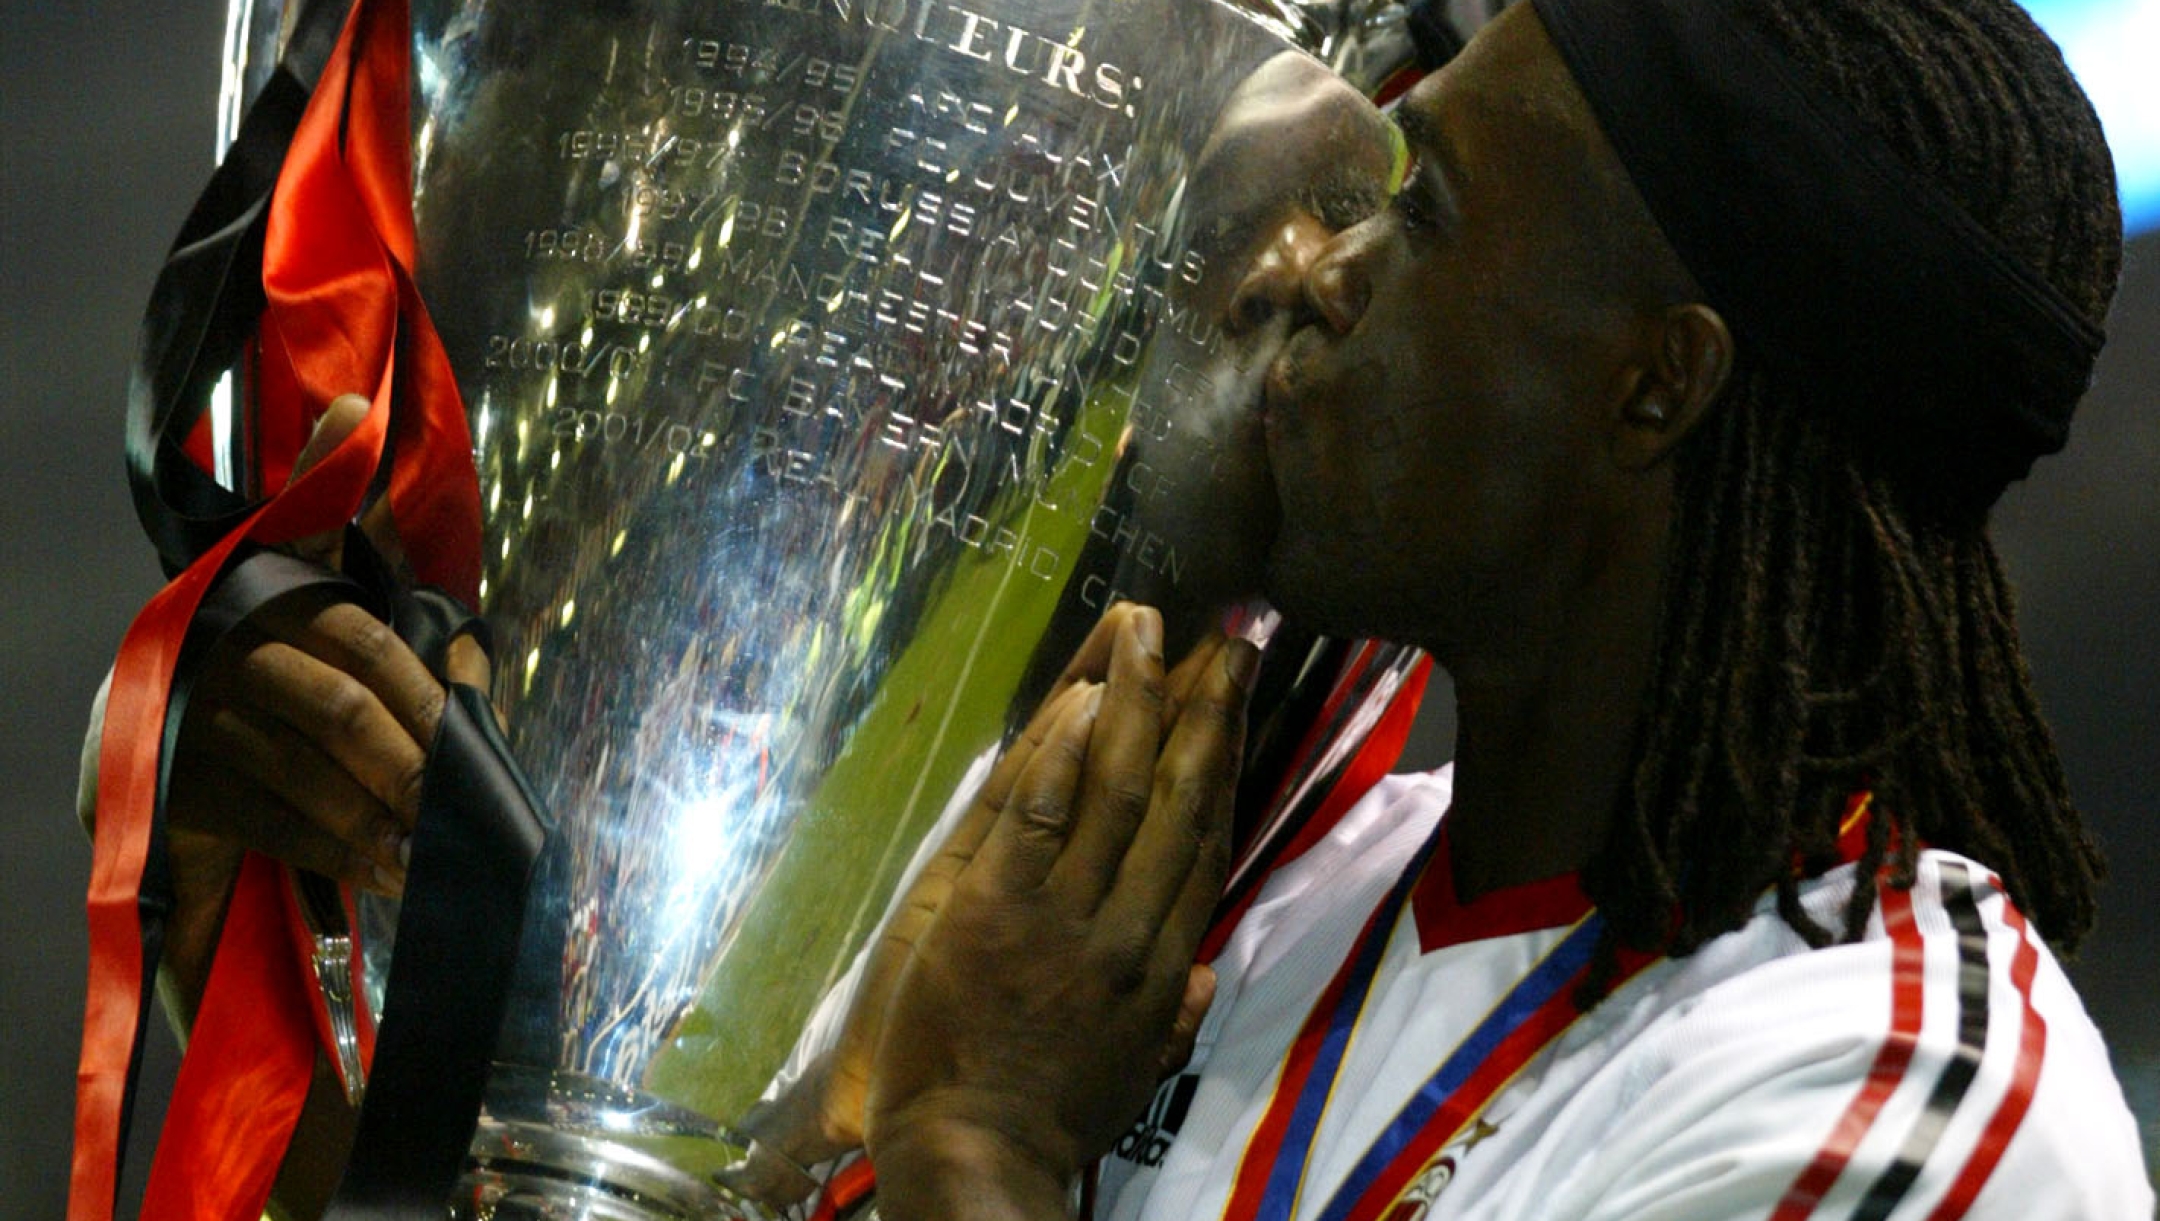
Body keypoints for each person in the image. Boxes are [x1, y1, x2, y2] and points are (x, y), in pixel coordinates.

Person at [810, 0, 2154, 1218]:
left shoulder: (1891, 1098)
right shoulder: (1202, 907)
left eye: (1427, 210)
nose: (1329, 273)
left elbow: (978, 1148)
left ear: (1656, 384)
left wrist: (979, 1150)